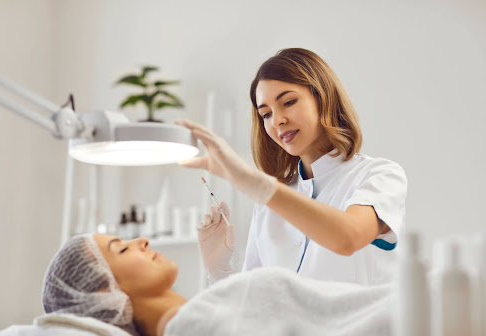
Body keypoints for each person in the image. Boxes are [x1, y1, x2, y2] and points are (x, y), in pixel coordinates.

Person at [175, 47, 407, 286]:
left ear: (323, 97)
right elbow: (253, 308)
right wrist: (219, 270)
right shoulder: (269, 205)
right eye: (265, 114)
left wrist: (254, 184)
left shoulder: (379, 176)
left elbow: (348, 238)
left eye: (288, 102)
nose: (277, 121)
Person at [32, 233, 392, 336]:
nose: (141, 241)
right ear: (102, 293)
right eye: (122, 249)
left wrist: (221, 270)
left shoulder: (209, 310)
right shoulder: (196, 325)